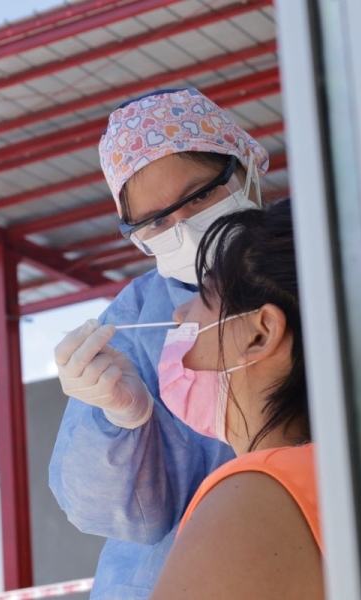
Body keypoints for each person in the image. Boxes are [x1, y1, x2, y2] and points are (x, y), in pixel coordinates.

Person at [50, 88, 270, 598]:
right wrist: (118, 420)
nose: (185, 230)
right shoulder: (139, 317)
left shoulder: (327, 256)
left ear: (244, 167)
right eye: (156, 223)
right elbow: (99, 507)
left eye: (200, 197)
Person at [149, 197, 324, 599]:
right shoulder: (334, 472)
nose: (179, 314)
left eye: (205, 294)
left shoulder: (254, 495)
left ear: (260, 334)